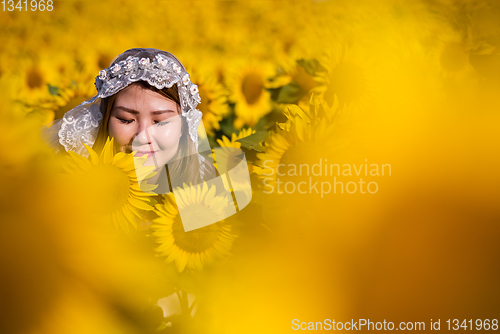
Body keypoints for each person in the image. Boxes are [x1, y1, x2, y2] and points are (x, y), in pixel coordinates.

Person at [42, 48, 215, 195]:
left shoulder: (206, 190)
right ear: (104, 120)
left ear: (183, 128)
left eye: (160, 121)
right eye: (126, 120)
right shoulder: (70, 189)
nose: (143, 136)